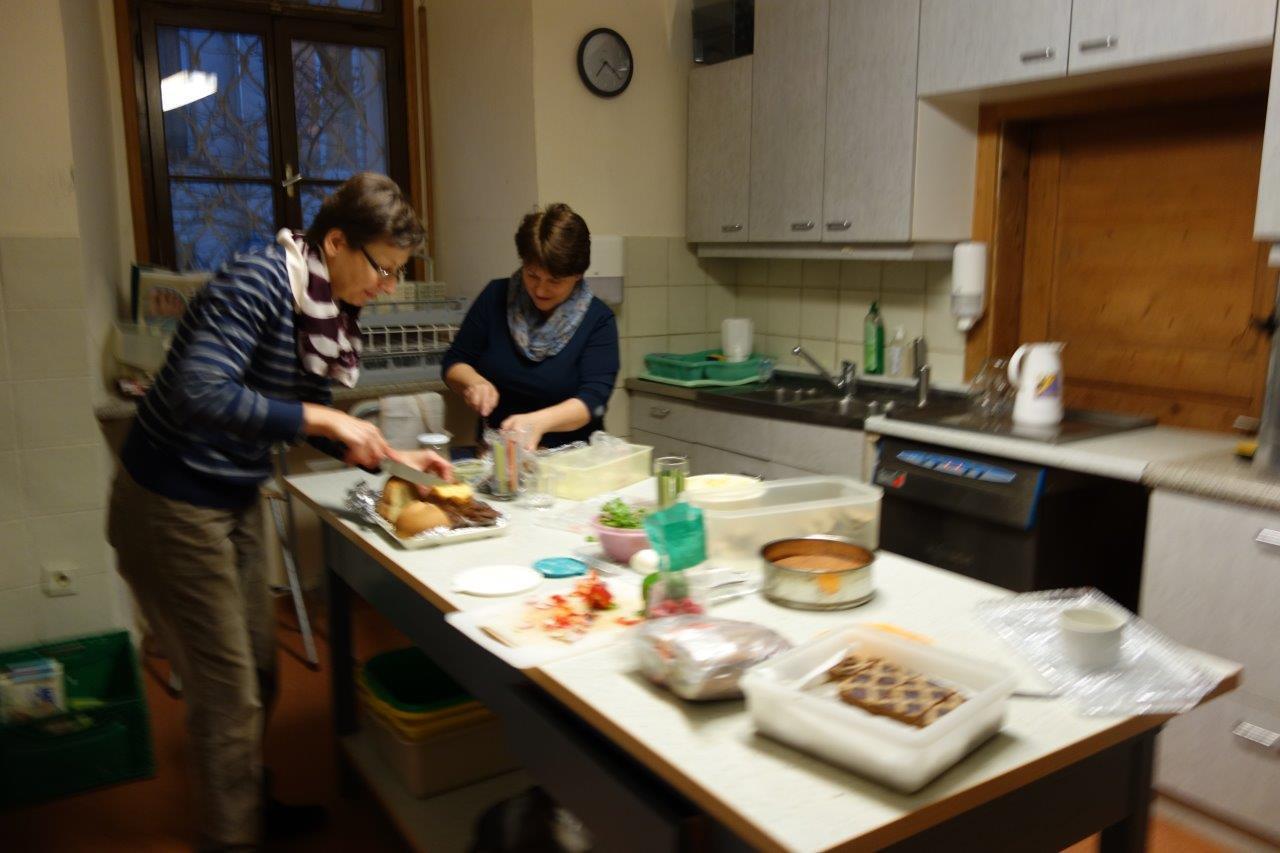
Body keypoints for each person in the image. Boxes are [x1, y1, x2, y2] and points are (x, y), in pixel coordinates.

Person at [108, 173, 450, 851]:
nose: (388, 287)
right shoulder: (256, 282)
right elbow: (201, 393)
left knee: (260, 671)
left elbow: (300, 414)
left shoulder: (327, 306)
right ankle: (231, 836)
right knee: (227, 691)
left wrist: (391, 457)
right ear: (336, 242)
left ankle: (248, 806)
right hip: (170, 505)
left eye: (399, 273)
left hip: (228, 494)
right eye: (383, 269)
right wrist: (321, 417)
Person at [442, 203, 620, 449]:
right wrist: (474, 382)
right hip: (498, 455)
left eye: (554, 281)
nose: (540, 289)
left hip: (569, 460)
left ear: (578, 275)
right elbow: (454, 361)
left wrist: (538, 423)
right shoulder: (495, 296)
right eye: (532, 275)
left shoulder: (598, 320)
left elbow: (593, 400)